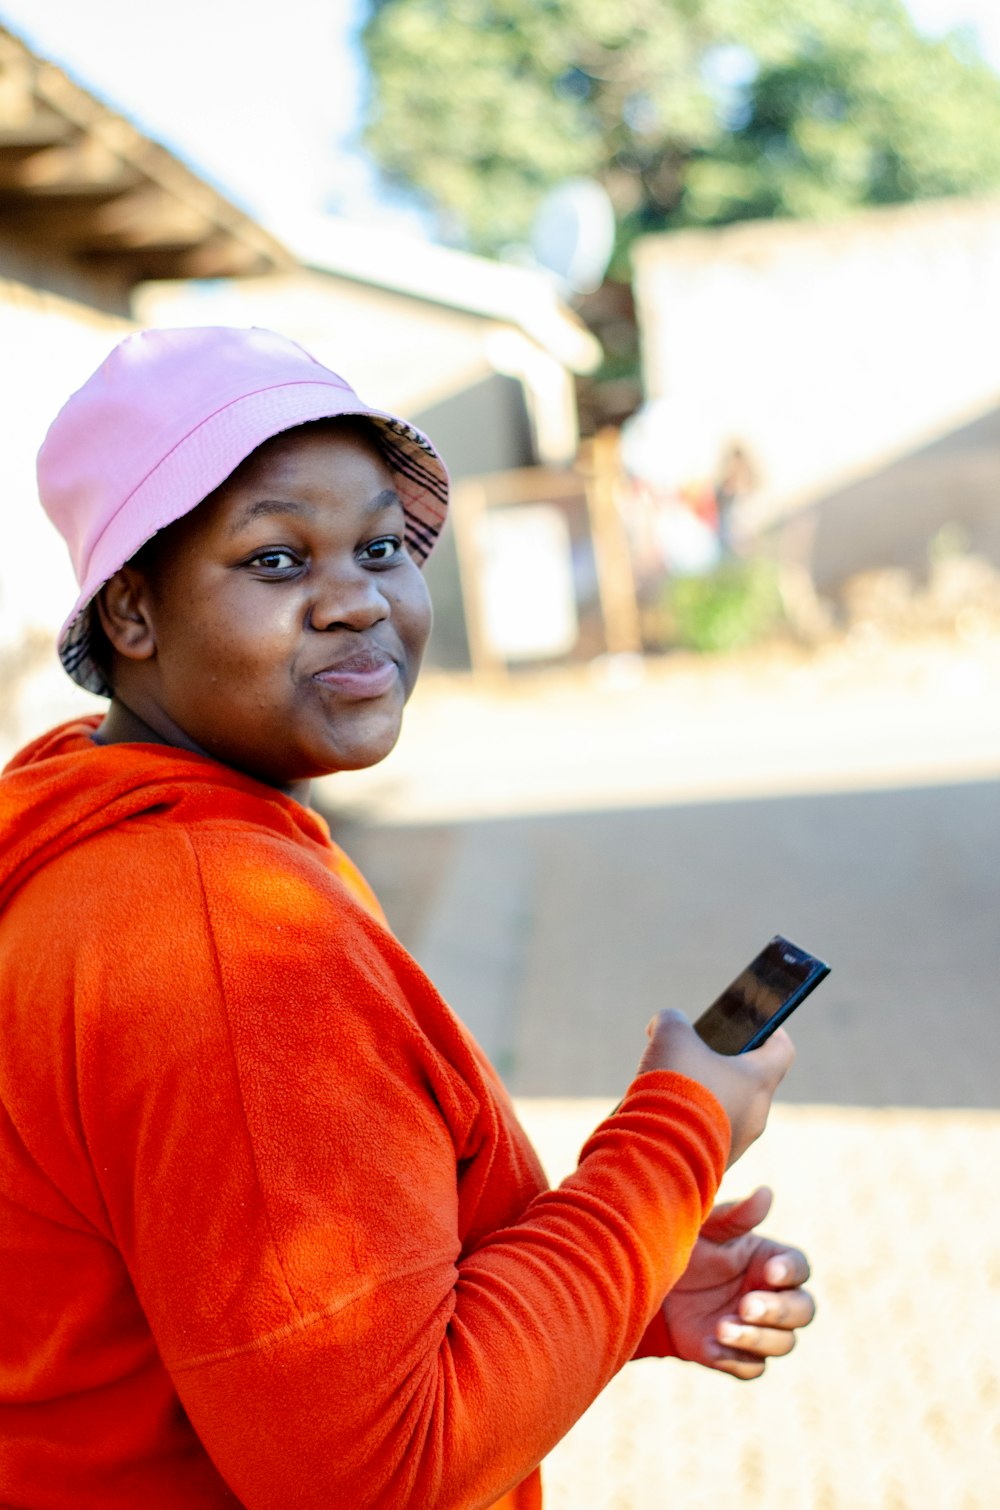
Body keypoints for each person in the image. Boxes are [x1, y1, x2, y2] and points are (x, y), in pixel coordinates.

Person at [0, 327, 814, 1509]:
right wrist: (677, 1135)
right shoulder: (214, 931)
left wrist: (612, 1273)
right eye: (277, 560)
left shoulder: (99, 840)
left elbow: (237, 1325)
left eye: (381, 545)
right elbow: (382, 1473)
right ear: (130, 613)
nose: (356, 601)